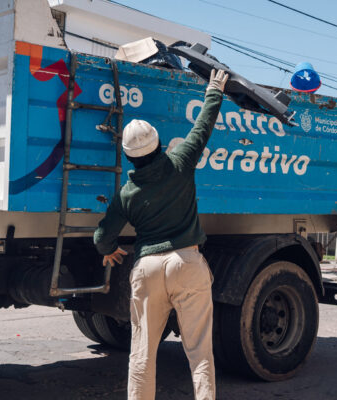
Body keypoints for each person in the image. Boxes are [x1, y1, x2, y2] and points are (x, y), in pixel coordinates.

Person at [93, 69, 229, 400]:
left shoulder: (127, 193)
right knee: (200, 353)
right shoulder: (180, 162)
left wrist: (108, 250)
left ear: (128, 155)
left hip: (148, 269)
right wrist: (214, 90)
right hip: (187, 262)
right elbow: (202, 127)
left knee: (142, 354)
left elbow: (102, 237)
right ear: (158, 144)